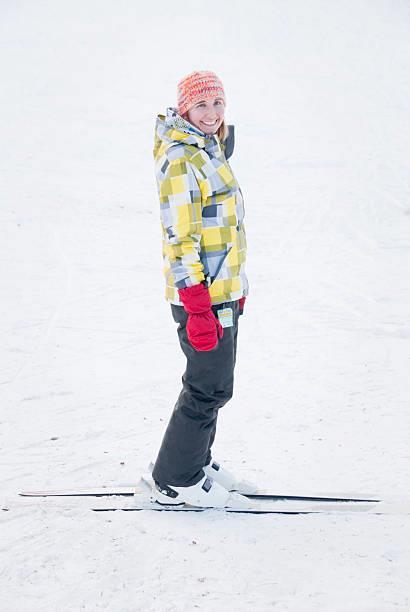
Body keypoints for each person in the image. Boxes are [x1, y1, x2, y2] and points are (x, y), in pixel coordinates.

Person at [151, 70, 254, 508]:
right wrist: (196, 306)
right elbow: (180, 238)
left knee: (216, 385)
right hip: (201, 295)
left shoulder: (208, 148)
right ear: (185, 109)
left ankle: (195, 459)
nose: (211, 113)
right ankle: (175, 478)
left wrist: (235, 285)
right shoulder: (181, 159)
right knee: (206, 386)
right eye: (201, 105)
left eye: (217, 103)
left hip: (221, 290)